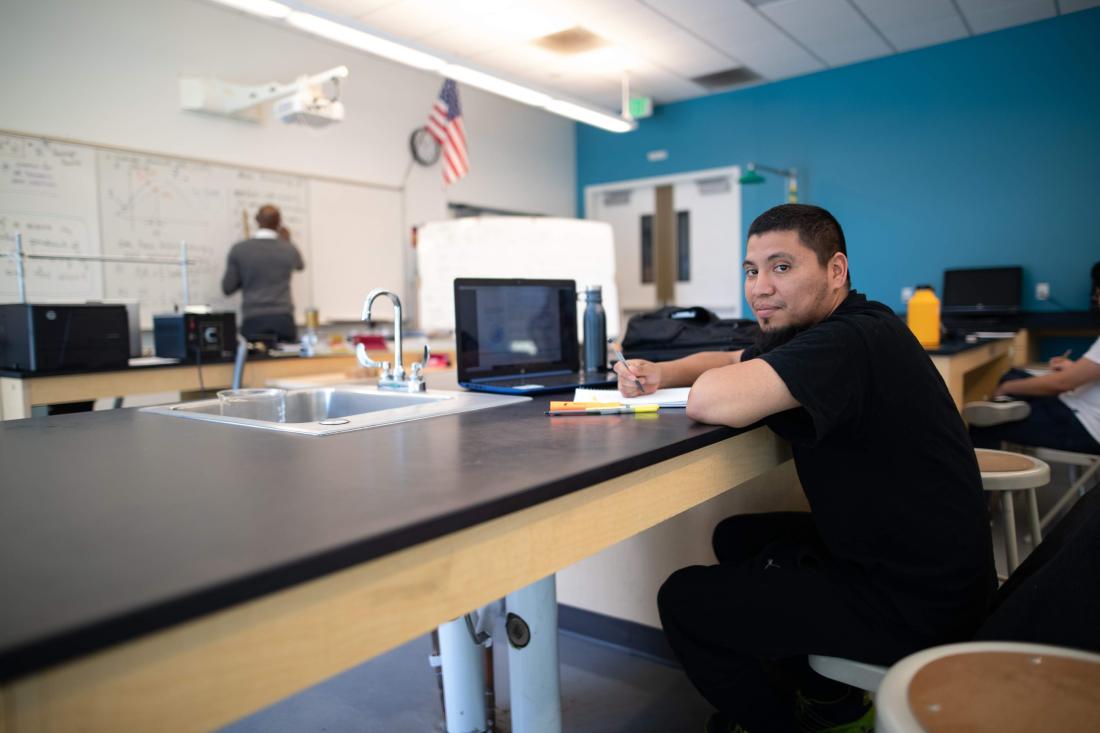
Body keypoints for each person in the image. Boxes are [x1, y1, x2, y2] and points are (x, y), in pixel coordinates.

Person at [614, 204, 995, 733]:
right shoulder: (855, 324)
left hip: (915, 604)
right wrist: (661, 371)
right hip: (929, 569)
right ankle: (830, 702)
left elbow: (712, 400)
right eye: (751, 270)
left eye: (781, 267)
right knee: (740, 537)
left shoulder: (846, 341)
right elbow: (732, 359)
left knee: (684, 601)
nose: (760, 287)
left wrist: (693, 385)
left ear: (835, 271)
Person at [965, 338, 1100, 455]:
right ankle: (1007, 404)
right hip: (1075, 404)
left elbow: (1062, 383)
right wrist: (1075, 369)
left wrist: (1006, 388)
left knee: (981, 422)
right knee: (1015, 375)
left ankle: (1006, 404)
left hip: (1083, 423)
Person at [222, 205, 304, 343]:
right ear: (279, 223)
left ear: (257, 220)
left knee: (254, 363)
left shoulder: (240, 249)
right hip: (283, 319)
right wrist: (287, 240)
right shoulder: (288, 248)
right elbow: (300, 265)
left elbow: (227, 288)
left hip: (254, 319)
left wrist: (247, 275)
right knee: (288, 363)